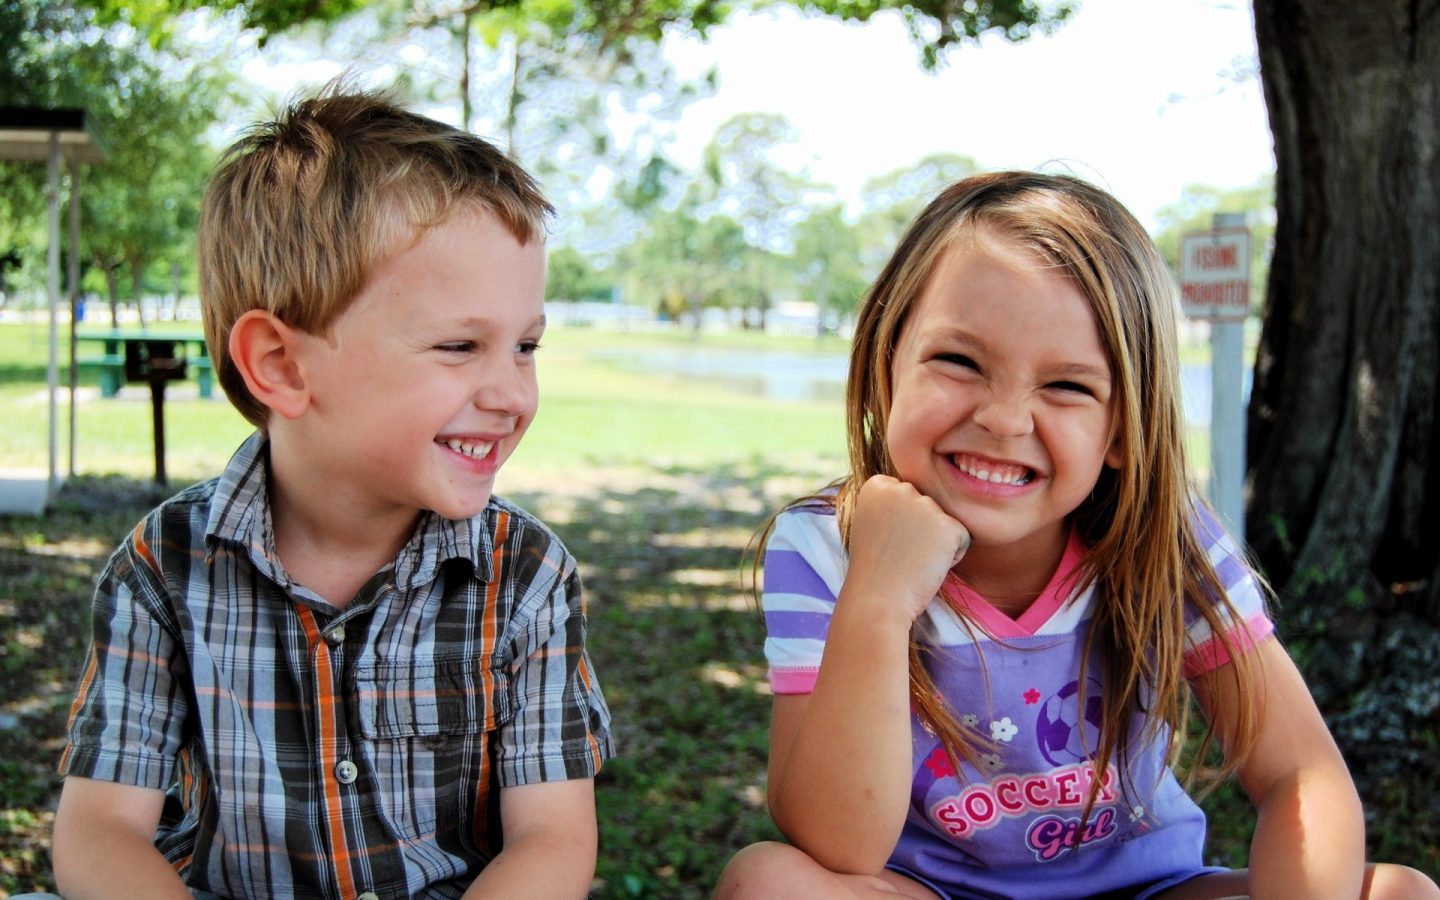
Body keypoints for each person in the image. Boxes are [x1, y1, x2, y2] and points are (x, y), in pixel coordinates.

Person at [714, 172, 1438, 899]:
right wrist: (879, 599)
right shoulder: (826, 545)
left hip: (1149, 890)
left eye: (1067, 386)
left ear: (1122, 429)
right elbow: (837, 845)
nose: (1004, 419)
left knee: (1398, 893)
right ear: (887, 365)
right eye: (959, 361)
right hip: (928, 892)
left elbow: (1300, 773)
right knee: (767, 881)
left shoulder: (1167, 542)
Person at [49, 84, 613, 900]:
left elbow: (553, 840)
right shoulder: (164, 570)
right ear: (282, 365)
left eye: (525, 346)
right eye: (460, 346)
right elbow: (99, 830)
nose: (513, 394)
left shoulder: (526, 576)